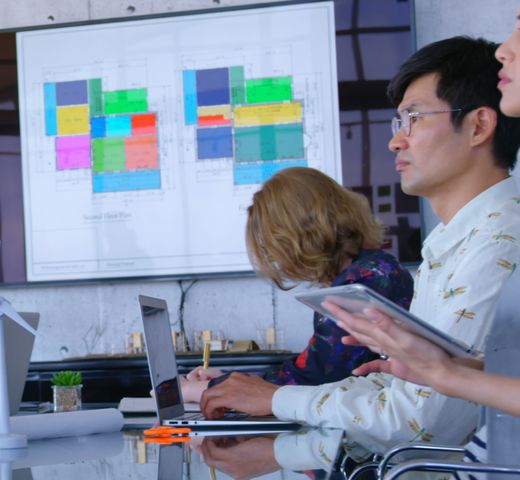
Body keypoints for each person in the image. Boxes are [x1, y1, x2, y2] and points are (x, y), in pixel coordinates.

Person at [199, 36, 520, 456]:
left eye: (415, 118)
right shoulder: (453, 240)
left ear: (478, 126)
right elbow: (410, 389)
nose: (395, 141)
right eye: (397, 123)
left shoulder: (499, 242)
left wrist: (274, 403)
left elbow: (421, 424)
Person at [182, 167, 413, 403]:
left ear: (296, 238)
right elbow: (311, 370)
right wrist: (227, 380)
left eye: (273, 245)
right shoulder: (376, 268)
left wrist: (208, 389)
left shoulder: (357, 285)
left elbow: (316, 378)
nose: (275, 258)